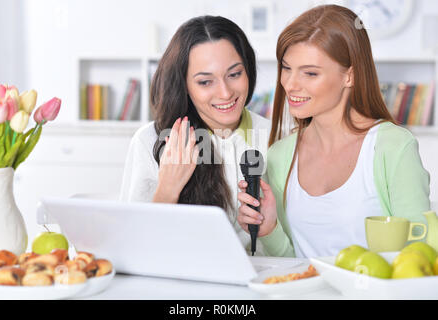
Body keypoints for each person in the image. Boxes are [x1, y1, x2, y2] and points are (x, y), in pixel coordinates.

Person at [237, 5, 430, 258]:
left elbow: (421, 257)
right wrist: (269, 229)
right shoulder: (280, 155)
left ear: (349, 76)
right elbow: (291, 265)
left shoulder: (393, 147)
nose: (290, 84)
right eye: (286, 68)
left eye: (310, 73)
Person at [120, 16, 271, 255]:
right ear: (184, 86)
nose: (225, 92)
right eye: (205, 81)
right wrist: (168, 189)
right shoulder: (151, 141)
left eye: (234, 74)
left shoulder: (275, 136)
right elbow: (135, 247)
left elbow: (292, 246)